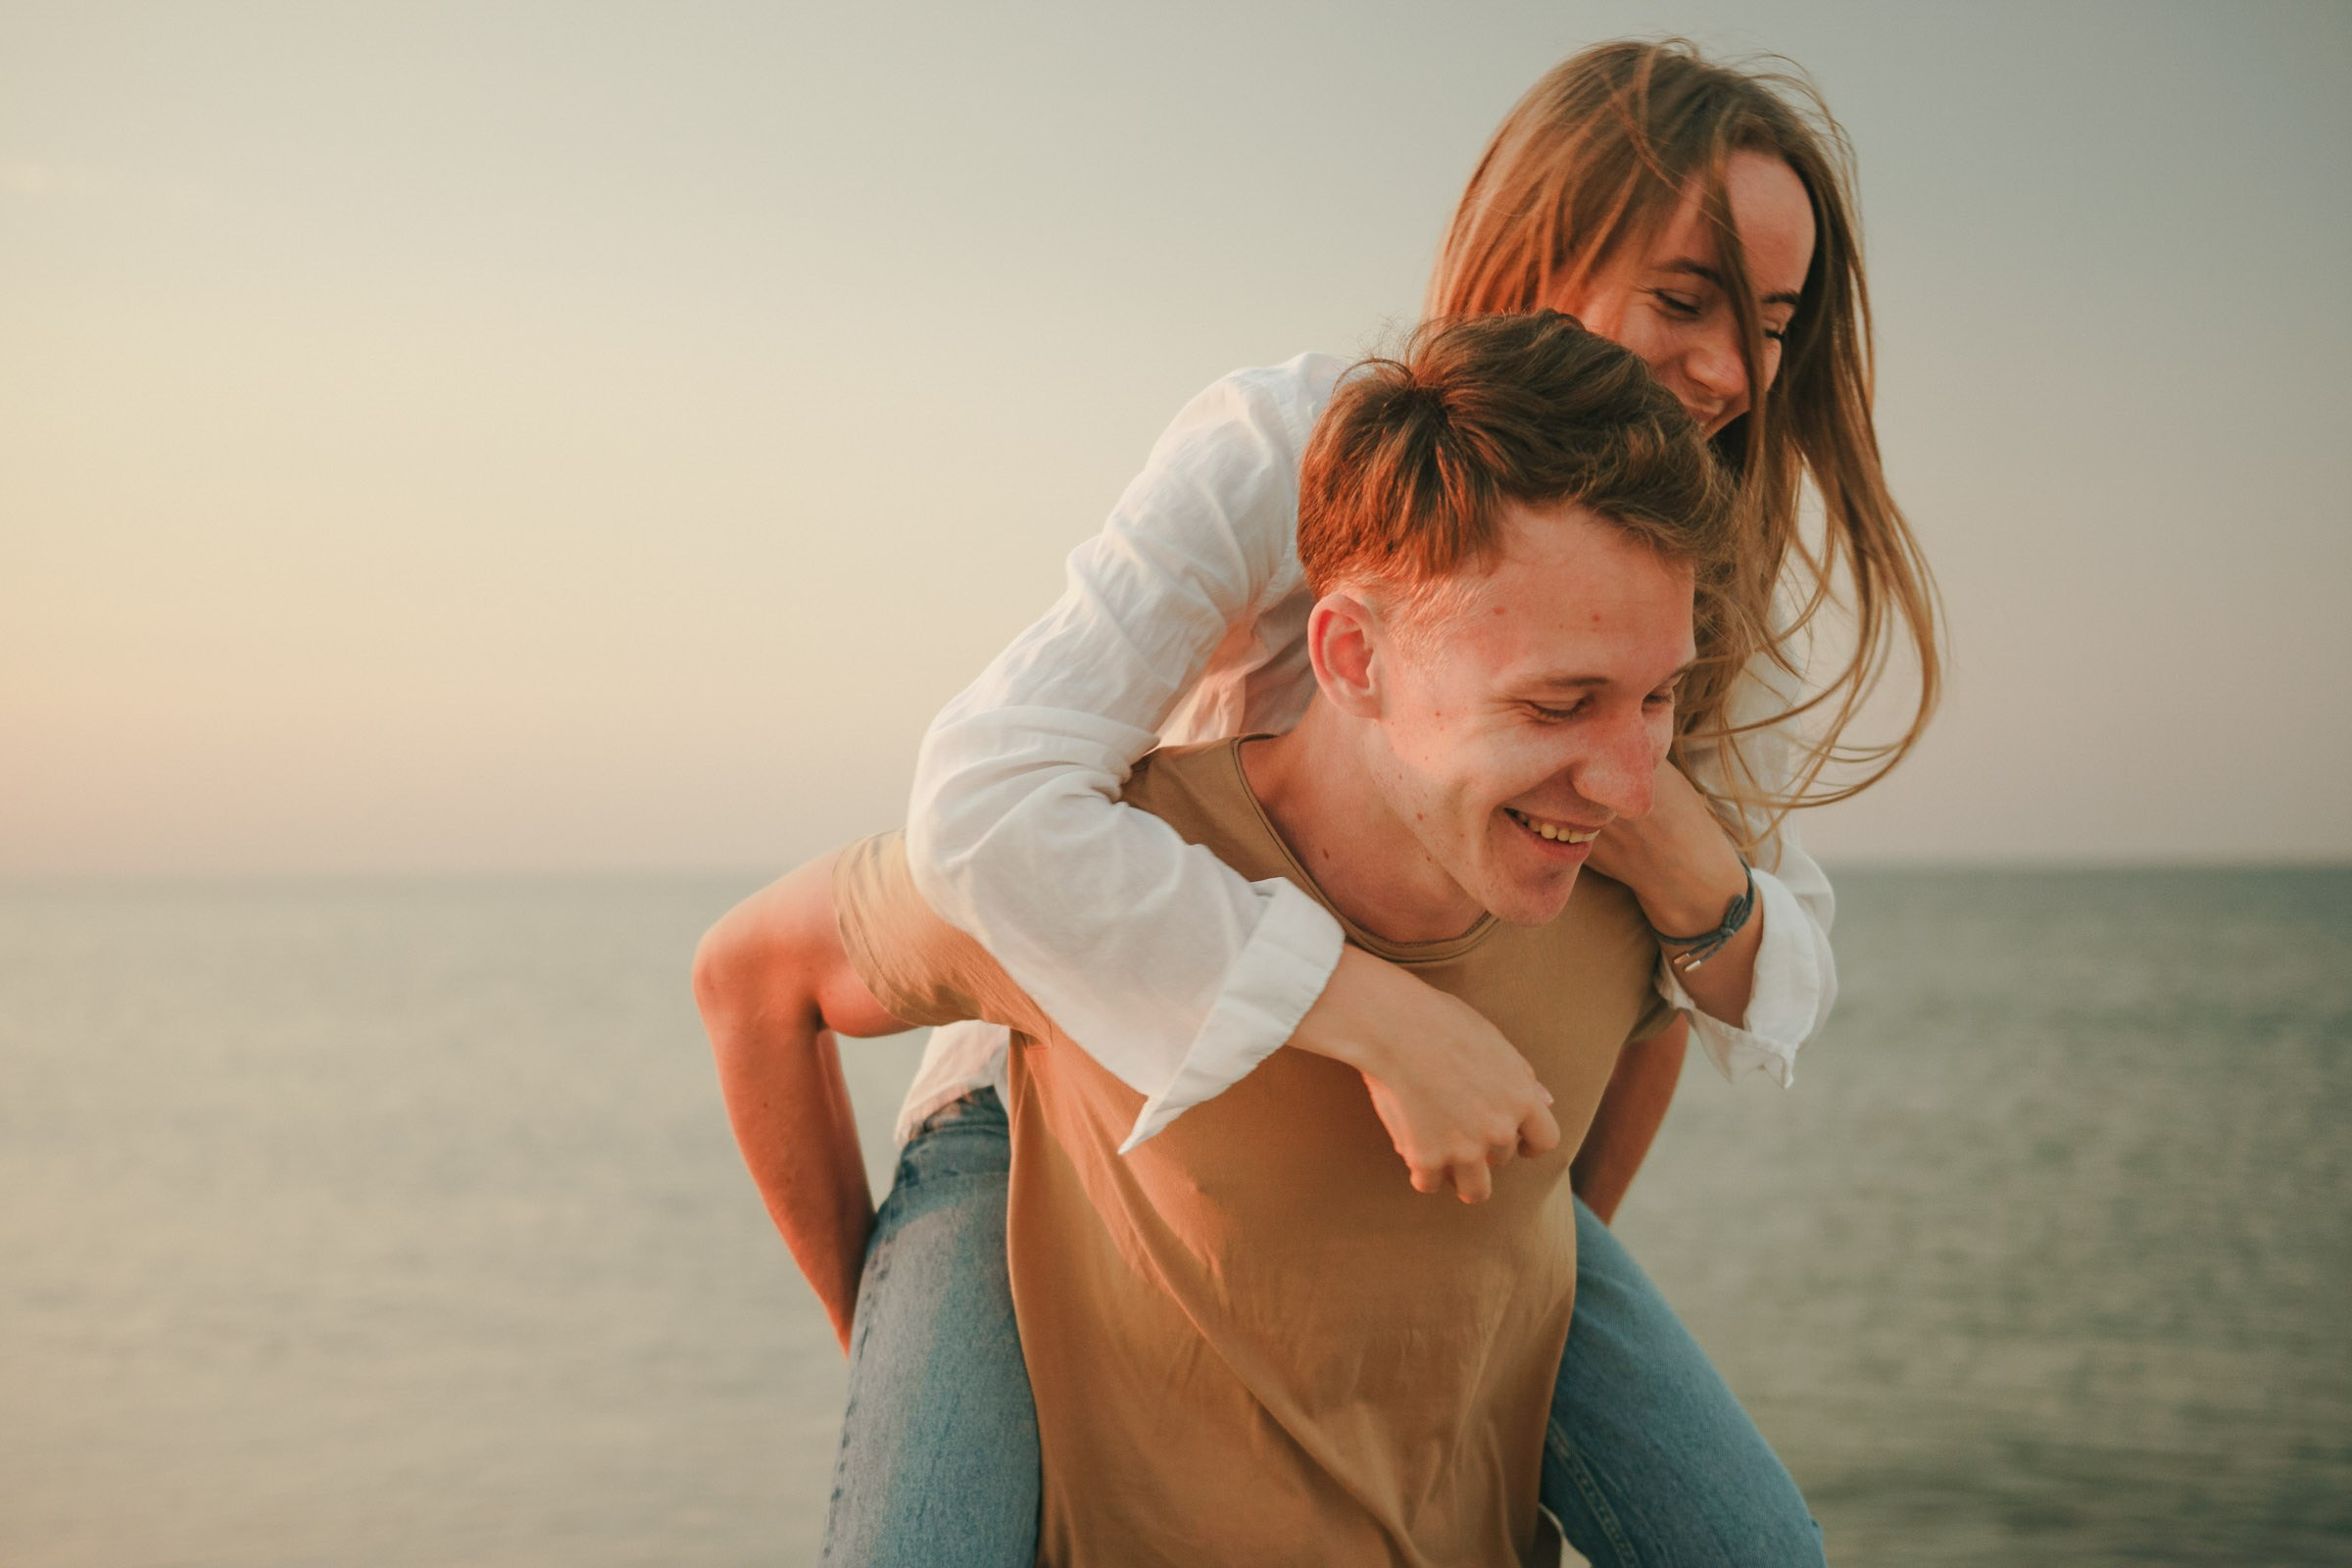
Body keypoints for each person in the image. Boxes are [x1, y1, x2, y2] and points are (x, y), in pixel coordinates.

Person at [694, 36, 1936, 1568]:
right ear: (1538, 247)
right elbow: (985, 800)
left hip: (1421, 1141)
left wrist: (1680, 873)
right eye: (1686, 299)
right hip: (1081, 1092)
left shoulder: (1682, 573)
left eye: (1772, 327)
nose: (1733, 372)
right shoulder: (1292, 444)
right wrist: (1369, 1013)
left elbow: (1744, 990)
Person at [724, 310, 1745, 1564]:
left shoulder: (1607, 889)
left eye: (1659, 698)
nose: (1635, 786)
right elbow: (754, 977)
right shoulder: (1114, 882)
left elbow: (1670, 1018)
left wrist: (1527, 1243)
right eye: (1556, 704)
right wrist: (876, 1327)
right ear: (1352, 656)